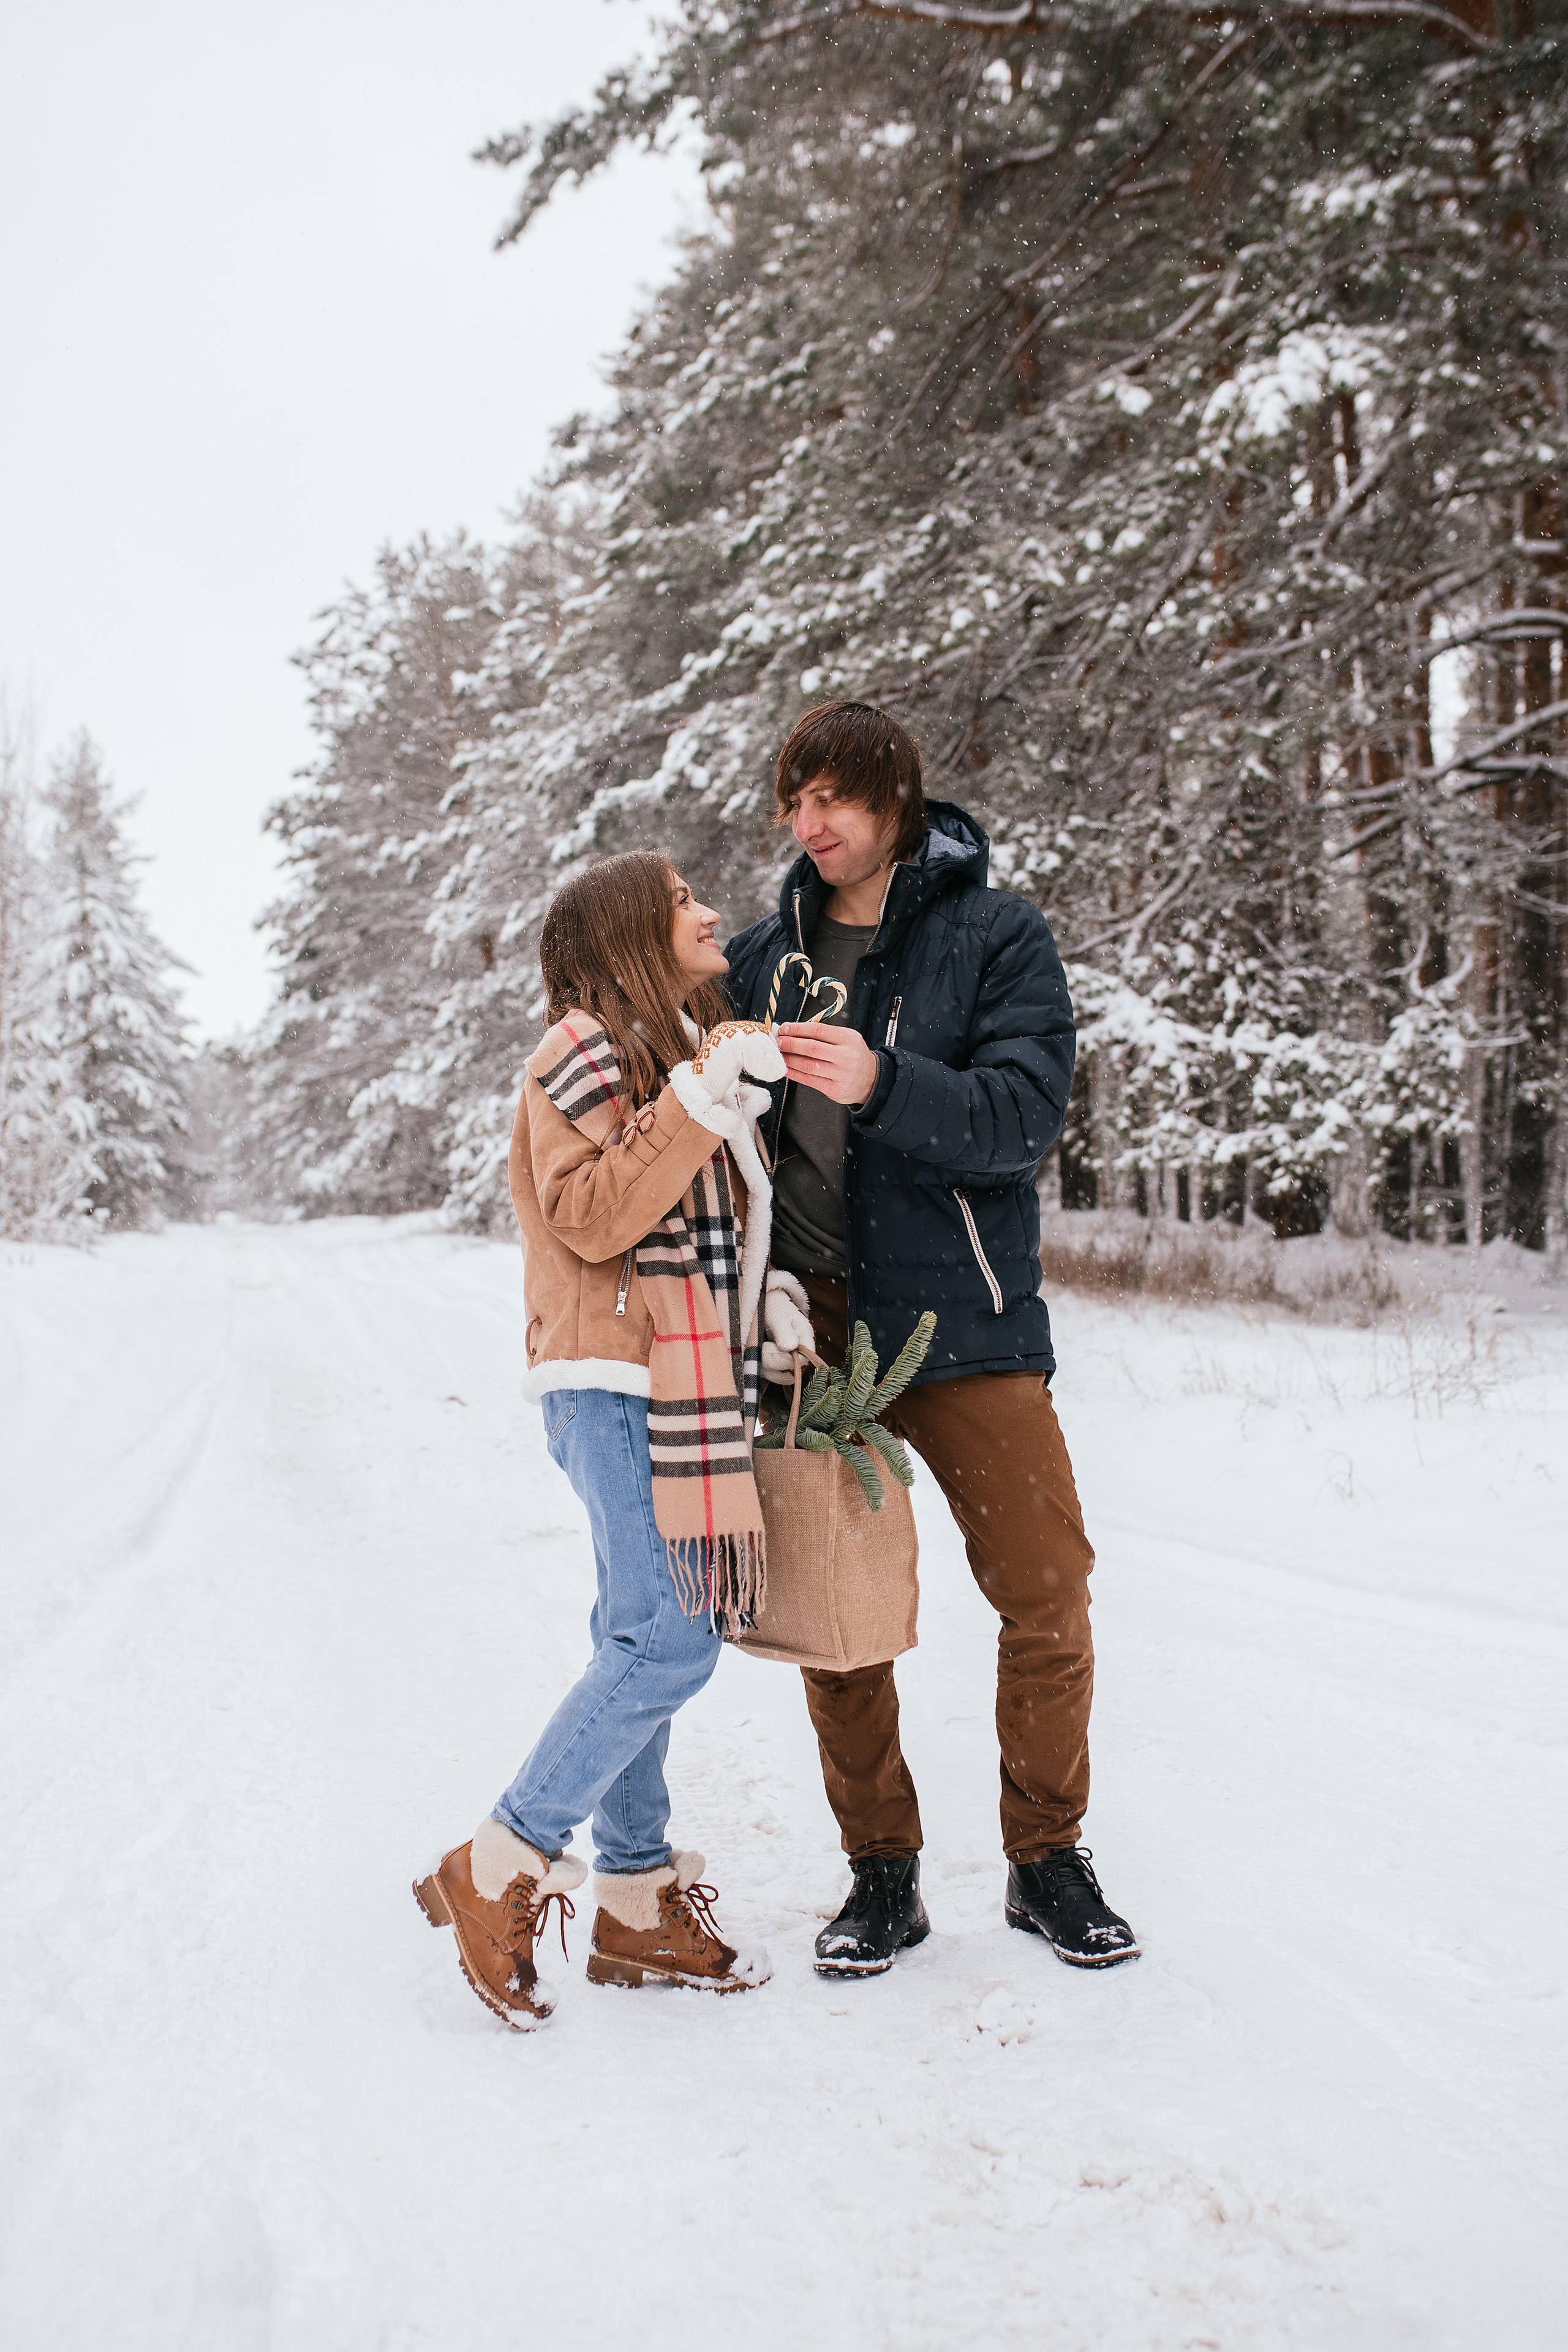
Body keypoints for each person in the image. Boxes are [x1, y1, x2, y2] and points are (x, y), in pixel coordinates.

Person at [727, 701, 1140, 1976]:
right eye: (794, 803)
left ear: (893, 796)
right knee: (832, 1614)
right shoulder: (759, 954)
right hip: (818, 1328)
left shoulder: (996, 934)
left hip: (962, 1319)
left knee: (1044, 1589)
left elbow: (1024, 1116)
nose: (810, 825)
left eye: (832, 800)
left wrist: (880, 1082)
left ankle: (1043, 1860)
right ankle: (882, 1876)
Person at [414, 851, 785, 2027]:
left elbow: (709, 1223)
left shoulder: (671, 1056)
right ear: (630, 929)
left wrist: (768, 1303)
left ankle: (631, 1900)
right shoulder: (580, 1050)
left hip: (677, 1381)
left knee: (639, 1633)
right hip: (615, 1379)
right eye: (682, 901)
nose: (710, 910)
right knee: (671, 1641)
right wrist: (696, 1101)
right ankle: (501, 1858)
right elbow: (589, 1213)